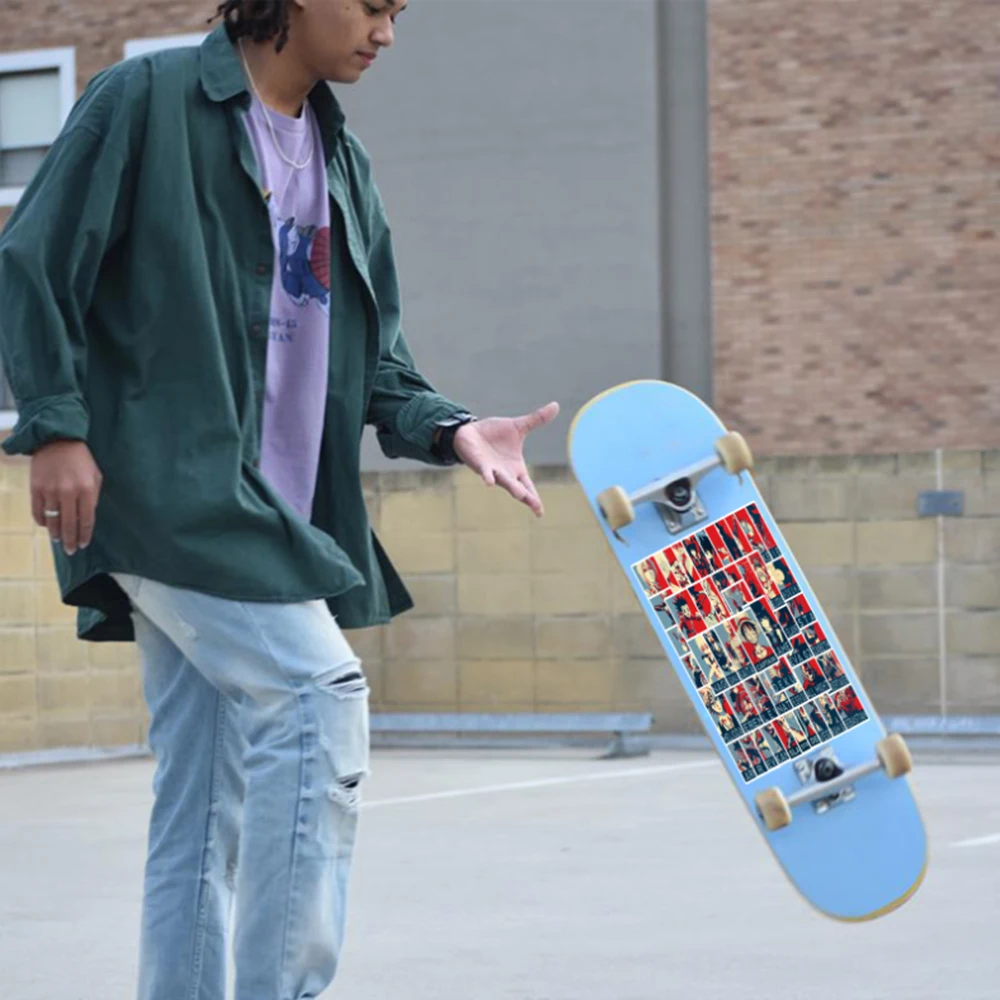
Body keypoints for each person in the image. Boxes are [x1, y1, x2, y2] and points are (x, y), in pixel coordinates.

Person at [0, 4, 559, 999]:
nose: (387, 33)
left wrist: (452, 427)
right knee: (318, 695)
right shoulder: (147, 102)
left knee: (200, 803)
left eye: (398, 11)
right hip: (171, 495)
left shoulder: (344, 166)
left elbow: (377, 359)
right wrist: (54, 425)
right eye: (372, 5)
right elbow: (34, 260)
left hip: (278, 514)